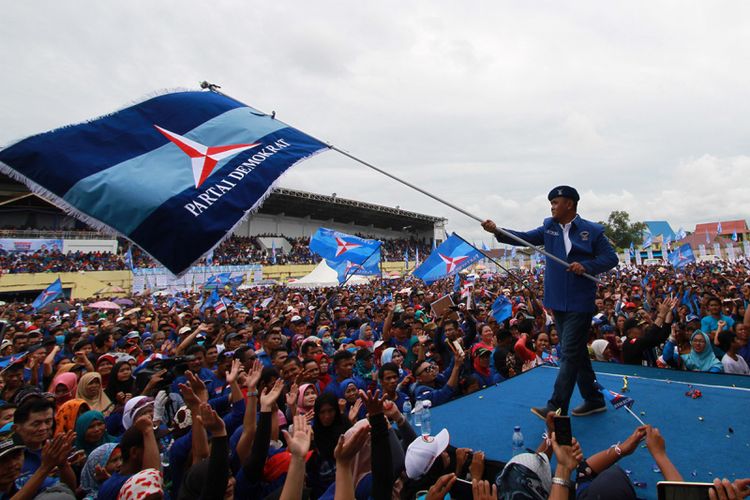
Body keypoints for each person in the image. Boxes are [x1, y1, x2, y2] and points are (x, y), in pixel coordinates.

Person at [482, 185, 619, 418]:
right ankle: (594, 399)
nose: (553, 207)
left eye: (556, 203)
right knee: (576, 354)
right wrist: (497, 231)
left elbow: (610, 258)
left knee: (568, 352)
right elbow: (523, 238)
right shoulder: (549, 227)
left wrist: (587, 266)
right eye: (551, 204)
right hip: (557, 301)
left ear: (569, 204)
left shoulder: (591, 231)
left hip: (580, 301)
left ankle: (556, 407)